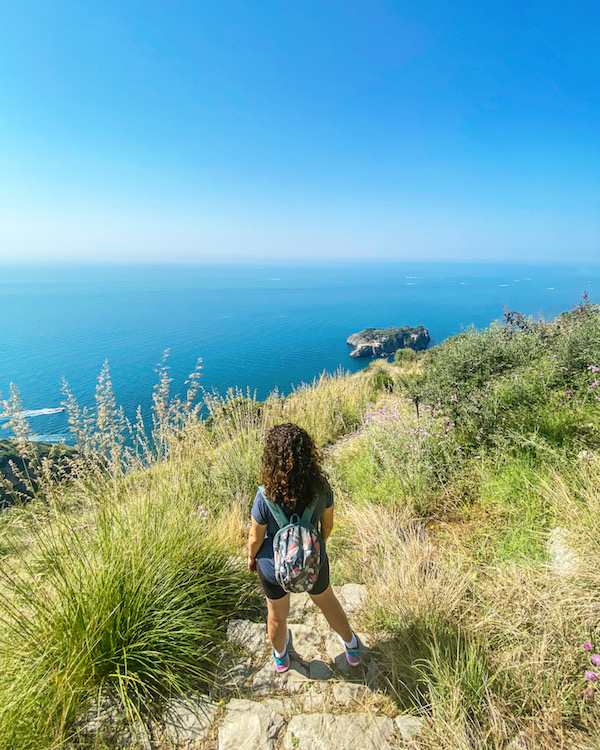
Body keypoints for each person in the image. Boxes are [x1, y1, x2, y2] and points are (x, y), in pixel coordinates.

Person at [247, 422, 362, 673]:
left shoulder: (265, 495)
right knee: (328, 601)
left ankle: (281, 658)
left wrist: (251, 558)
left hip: (273, 566)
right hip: (314, 559)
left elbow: (255, 538)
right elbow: (327, 526)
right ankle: (352, 648)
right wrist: (315, 549)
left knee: (277, 614)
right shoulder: (321, 487)